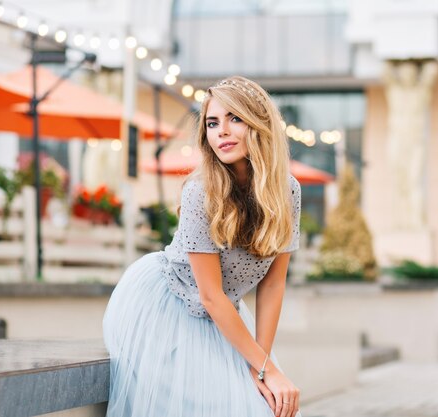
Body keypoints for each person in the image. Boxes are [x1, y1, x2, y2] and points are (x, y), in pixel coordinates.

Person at [103, 75, 302, 417]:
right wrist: (266, 368)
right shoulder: (201, 192)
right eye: (212, 123)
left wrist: (262, 366)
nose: (221, 131)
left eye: (234, 118)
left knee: (263, 404)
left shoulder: (288, 190)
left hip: (227, 311)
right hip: (170, 304)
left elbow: (273, 284)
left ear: (260, 124)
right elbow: (209, 296)